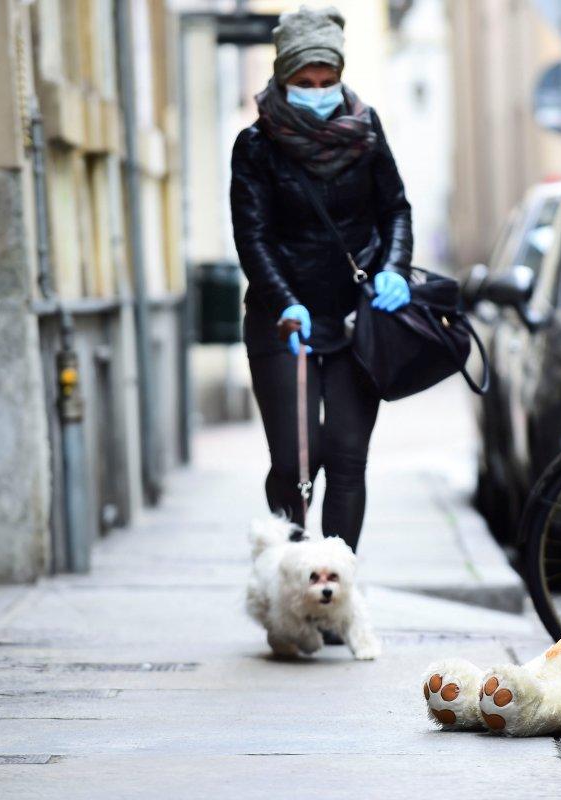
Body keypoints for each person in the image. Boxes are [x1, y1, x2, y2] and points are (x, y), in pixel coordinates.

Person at [230, 5, 412, 552]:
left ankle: (336, 589)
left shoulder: (367, 130)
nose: (317, 89)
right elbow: (253, 236)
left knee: (348, 457)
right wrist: (283, 300)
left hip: (360, 319)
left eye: (327, 80)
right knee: (294, 460)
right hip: (284, 323)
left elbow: (395, 209)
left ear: (340, 76)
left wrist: (393, 271)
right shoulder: (257, 145)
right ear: (283, 79)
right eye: (304, 81)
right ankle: (289, 578)